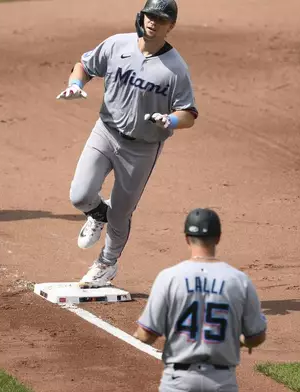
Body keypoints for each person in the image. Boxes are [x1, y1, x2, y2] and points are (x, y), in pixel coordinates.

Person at [56, 0, 198, 288]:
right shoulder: (116, 45)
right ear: (141, 16)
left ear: (171, 25)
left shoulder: (175, 69)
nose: (153, 22)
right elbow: (84, 65)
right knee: (80, 195)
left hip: (142, 148)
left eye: (161, 19)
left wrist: (170, 121)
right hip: (105, 132)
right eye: (149, 15)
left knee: (121, 212)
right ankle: (97, 214)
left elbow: (189, 113)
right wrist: (76, 84)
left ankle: (106, 264)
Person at [134, 208, 268, 392]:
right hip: (222, 382)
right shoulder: (238, 281)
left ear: (187, 238)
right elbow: (257, 336)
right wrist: (241, 341)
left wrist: (139, 334)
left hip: (178, 381)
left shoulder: (169, 277)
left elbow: (147, 334)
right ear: (218, 238)